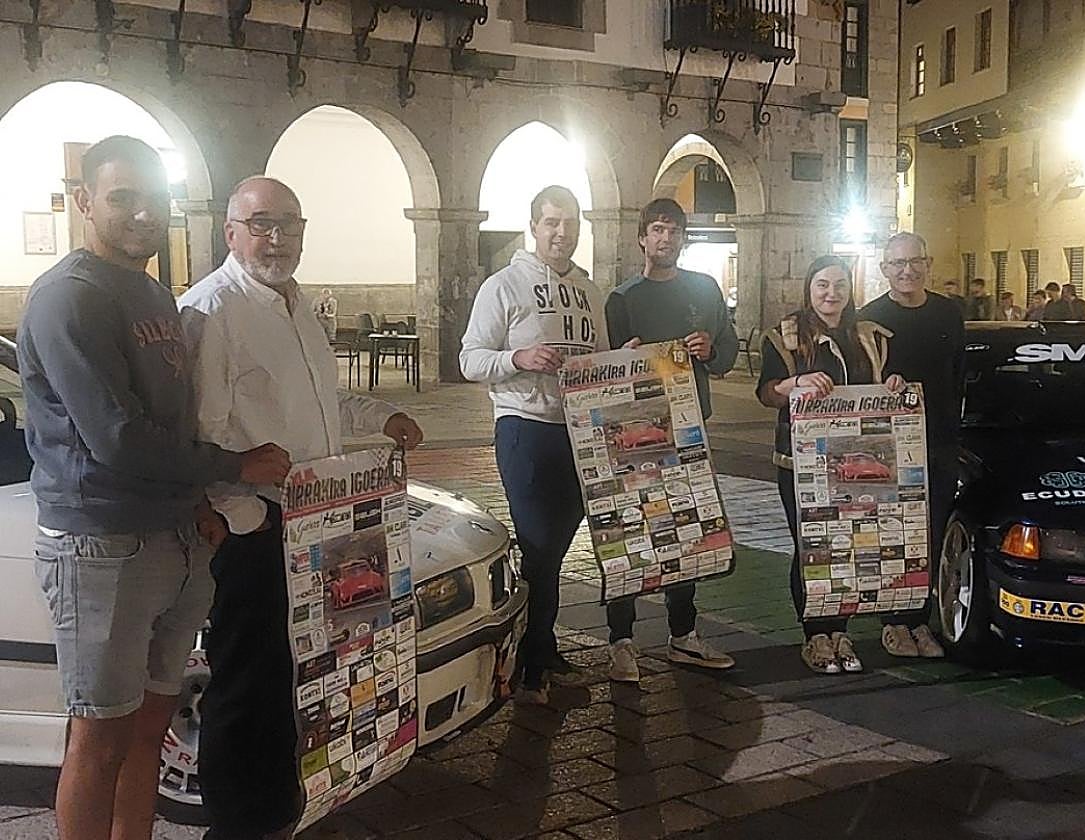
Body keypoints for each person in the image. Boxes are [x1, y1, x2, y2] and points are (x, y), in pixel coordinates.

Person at [17, 136, 290, 840]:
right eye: (122, 198)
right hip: (102, 543)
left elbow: (173, 417)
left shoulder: (147, 291)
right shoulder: (69, 299)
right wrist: (235, 467)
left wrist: (199, 504)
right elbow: (119, 438)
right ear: (83, 201)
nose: (143, 213)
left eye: (155, 199)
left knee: (147, 728)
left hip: (175, 535)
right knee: (97, 738)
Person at [179, 176, 423, 839]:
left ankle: (284, 806)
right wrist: (241, 519)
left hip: (318, 522)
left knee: (303, 673)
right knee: (244, 681)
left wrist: (385, 415)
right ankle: (232, 823)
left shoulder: (297, 305)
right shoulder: (211, 310)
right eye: (260, 224)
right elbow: (202, 431)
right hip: (258, 528)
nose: (276, 237)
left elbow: (327, 404)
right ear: (230, 232)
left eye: (288, 223)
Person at [460, 185, 610, 705]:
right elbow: (470, 359)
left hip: (579, 431)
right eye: (551, 222)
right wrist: (517, 359)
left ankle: (540, 648)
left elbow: (602, 356)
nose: (561, 232)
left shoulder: (590, 291)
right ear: (534, 225)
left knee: (554, 551)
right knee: (539, 547)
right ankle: (527, 665)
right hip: (525, 427)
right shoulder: (502, 287)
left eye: (569, 222)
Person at [603, 198, 738, 683]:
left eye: (675, 231)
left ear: (683, 238)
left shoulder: (704, 290)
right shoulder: (622, 299)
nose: (666, 239)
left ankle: (683, 635)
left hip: (690, 430)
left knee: (689, 531)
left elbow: (727, 355)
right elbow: (609, 371)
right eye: (657, 229)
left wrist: (712, 348)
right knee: (629, 534)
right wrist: (624, 359)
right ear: (642, 237)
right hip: (636, 436)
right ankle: (621, 640)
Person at [756, 255, 906, 674]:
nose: (831, 293)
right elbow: (766, 393)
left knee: (848, 544)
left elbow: (884, 385)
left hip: (857, 459)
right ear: (809, 288)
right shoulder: (784, 337)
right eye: (822, 284)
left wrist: (892, 384)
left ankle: (839, 630)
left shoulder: (869, 337)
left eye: (839, 284)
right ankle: (815, 634)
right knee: (811, 546)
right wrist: (793, 384)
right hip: (800, 463)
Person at [859, 231, 962, 659]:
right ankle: (894, 624)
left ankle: (920, 620)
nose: (907, 270)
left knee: (931, 533)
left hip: (939, 442)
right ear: (884, 269)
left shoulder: (949, 313)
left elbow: (959, 375)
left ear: (928, 263)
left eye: (915, 261)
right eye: (897, 264)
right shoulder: (868, 319)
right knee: (893, 535)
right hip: (892, 447)